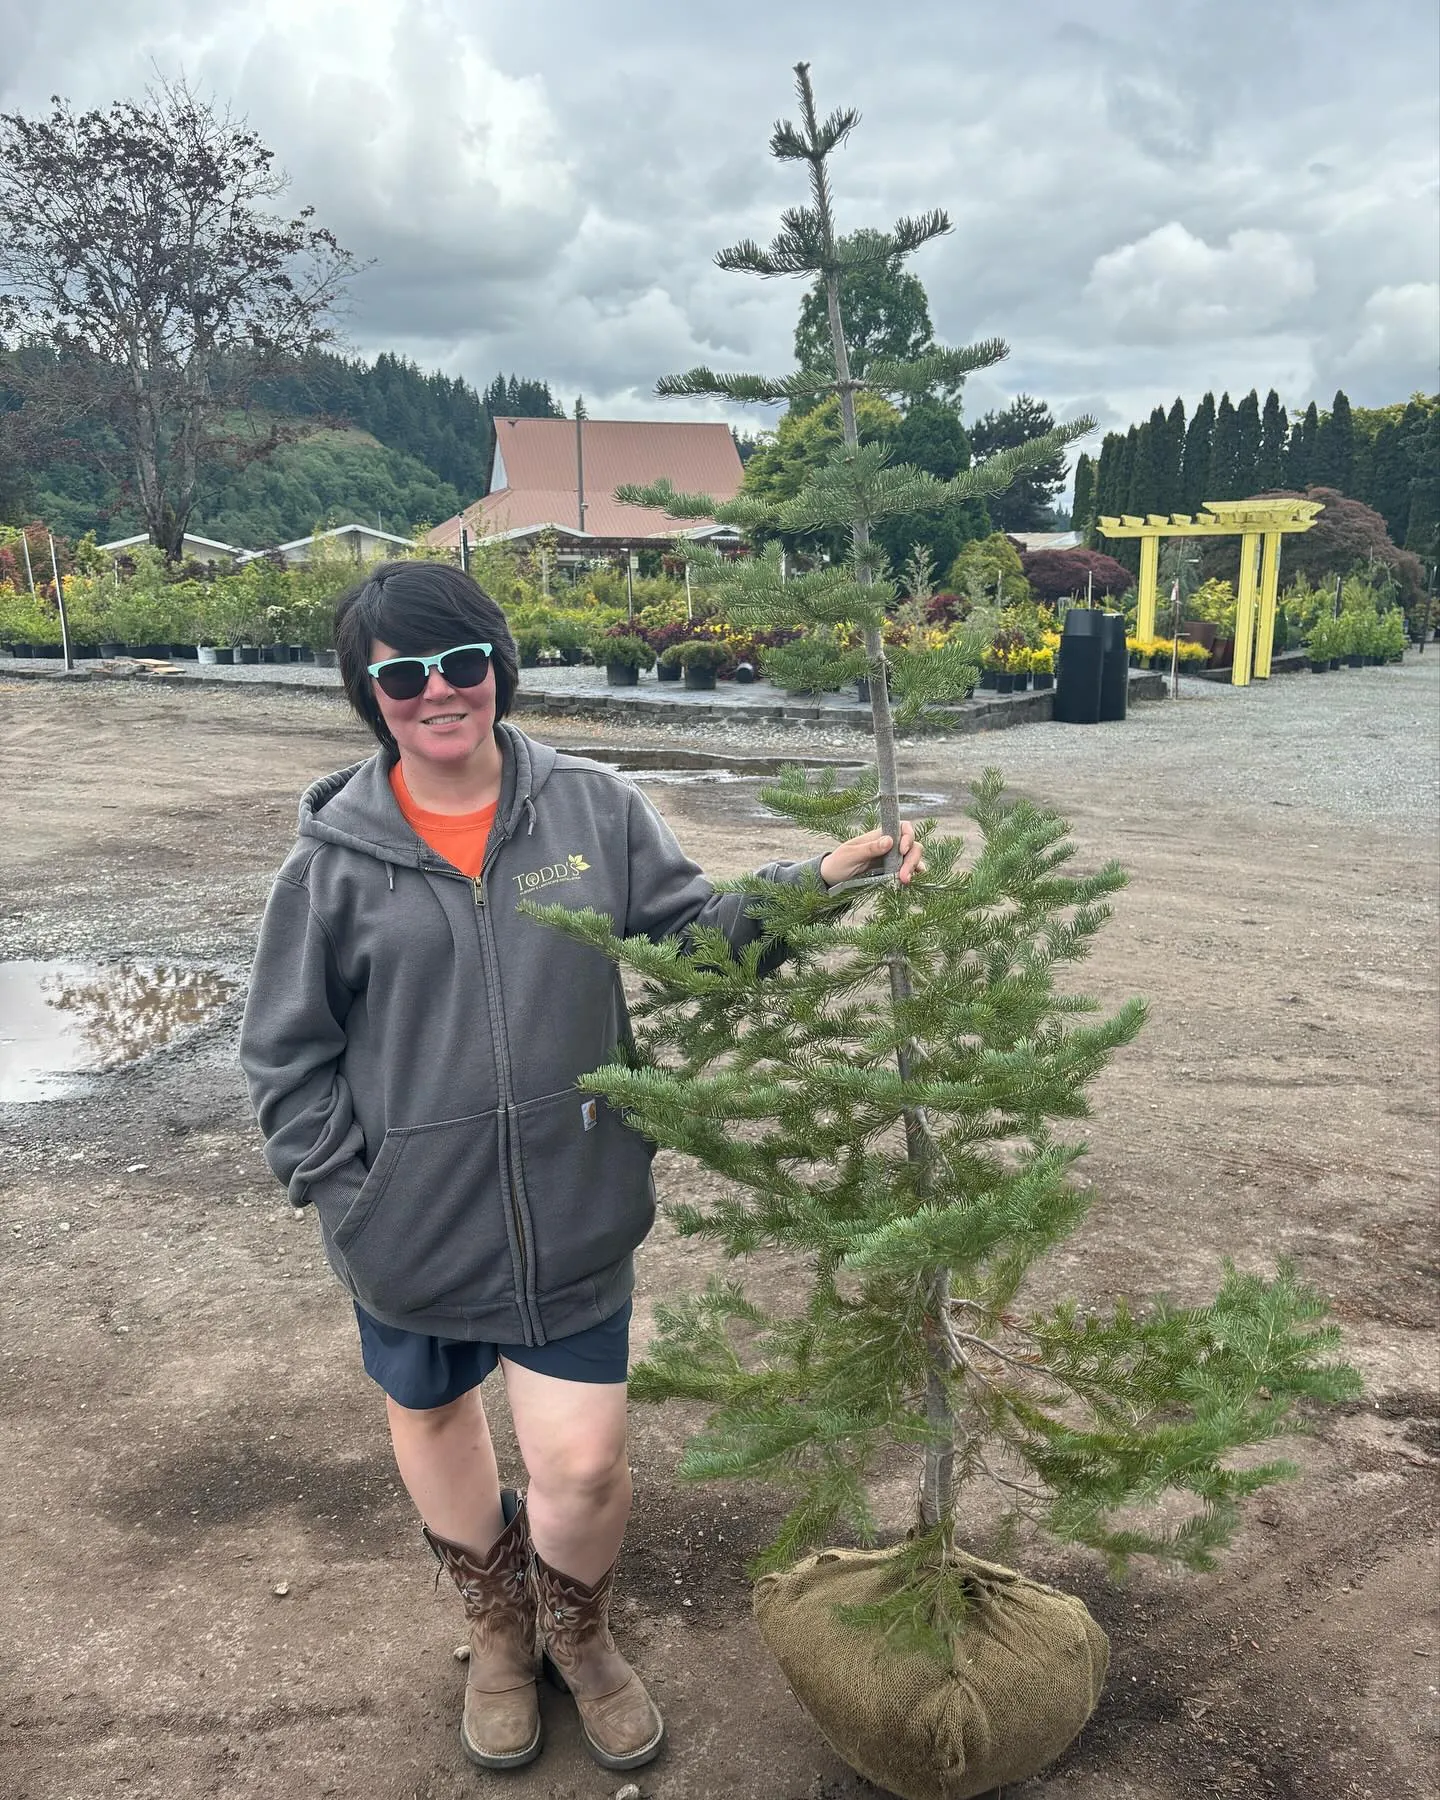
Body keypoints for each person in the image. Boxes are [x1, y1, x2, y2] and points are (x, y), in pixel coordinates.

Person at [239, 559, 921, 1776]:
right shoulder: (333, 864)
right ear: (369, 696)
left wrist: (821, 883)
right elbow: (287, 1057)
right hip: (410, 1229)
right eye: (401, 675)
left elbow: (695, 939)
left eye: (459, 662)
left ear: (499, 666)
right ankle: (498, 1627)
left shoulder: (594, 811)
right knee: (434, 1413)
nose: (437, 691)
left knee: (583, 1460)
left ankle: (579, 1626)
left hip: (572, 1210)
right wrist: (353, 1198)